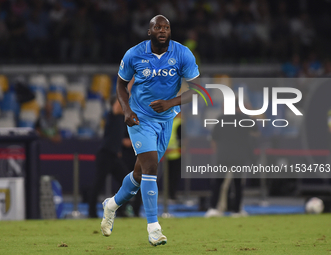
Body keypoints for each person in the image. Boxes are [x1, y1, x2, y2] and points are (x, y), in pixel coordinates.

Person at [100, 15, 199, 246]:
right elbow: (120, 84)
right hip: (140, 118)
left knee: (138, 174)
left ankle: (111, 204)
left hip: (165, 120)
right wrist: (126, 110)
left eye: (166, 27)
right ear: (149, 31)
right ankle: (154, 228)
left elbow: (198, 90)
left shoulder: (182, 53)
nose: (163, 30)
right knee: (151, 166)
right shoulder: (134, 54)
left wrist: (171, 103)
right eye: (158, 27)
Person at [205, 99, 258, 218]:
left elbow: (214, 139)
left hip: (223, 156)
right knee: (238, 184)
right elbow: (256, 130)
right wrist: (249, 111)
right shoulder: (244, 119)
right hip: (239, 156)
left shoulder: (221, 118)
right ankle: (236, 210)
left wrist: (217, 153)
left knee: (218, 182)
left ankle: (213, 208)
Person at [88, 95, 132, 218]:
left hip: (114, 156)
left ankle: (122, 210)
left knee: (127, 182)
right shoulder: (112, 115)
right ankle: (91, 212)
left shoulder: (121, 118)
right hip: (105, 154)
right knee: (98, 184)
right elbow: (118, 105)